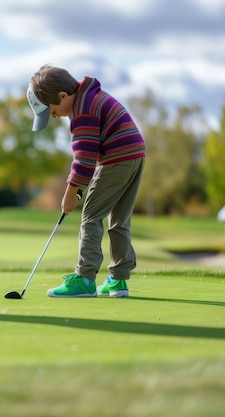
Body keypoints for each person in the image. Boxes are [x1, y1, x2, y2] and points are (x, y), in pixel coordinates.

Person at [27, 64, 146, 298]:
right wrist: (80, 186)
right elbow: (89, 157)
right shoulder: (91, 98)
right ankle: (118, 280)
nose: (54, 116)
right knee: (119, 219)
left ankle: (85, 278)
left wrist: (71, 191)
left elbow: (84, 159)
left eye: (52, 111)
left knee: (91, 216)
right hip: (135, 155)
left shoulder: (83, 111)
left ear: (62, 96)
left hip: (117, 157)